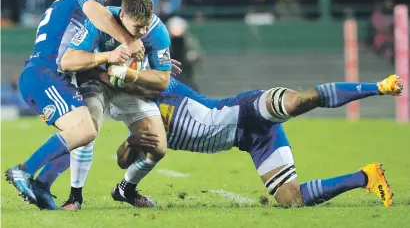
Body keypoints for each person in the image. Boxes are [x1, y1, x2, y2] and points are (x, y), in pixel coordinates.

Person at [41, 68, 402, 209]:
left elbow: (149, 78)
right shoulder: (133, 113)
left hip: (246, 110)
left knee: (300, 100)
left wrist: (126, 70)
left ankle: (378, 87)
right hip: (251, 140)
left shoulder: (156, 85)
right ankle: (366, 176)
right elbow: (122, 157)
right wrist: (133, 147)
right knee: (291, 201)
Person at [4, 0, 144, 210]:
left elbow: (82, 53)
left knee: (81, 136)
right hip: (46, 75)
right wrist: (128, 41)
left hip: (44, 76)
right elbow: (99, 15)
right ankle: (25, 171)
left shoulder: (70, 10)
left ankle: (42, 186)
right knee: (85, 132)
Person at [33, 0, 172, 210]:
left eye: (146, 25)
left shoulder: (156, 31)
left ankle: (126, 189)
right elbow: (68, 61)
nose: (142, 32)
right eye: (138, 27)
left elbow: (163, 79)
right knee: (88, 129)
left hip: (132, 88)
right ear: (123, 17)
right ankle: (75, 197)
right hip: (97, 81)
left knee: (158, 147)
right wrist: (108, 61)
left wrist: (129, 74)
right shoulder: (101, 21)